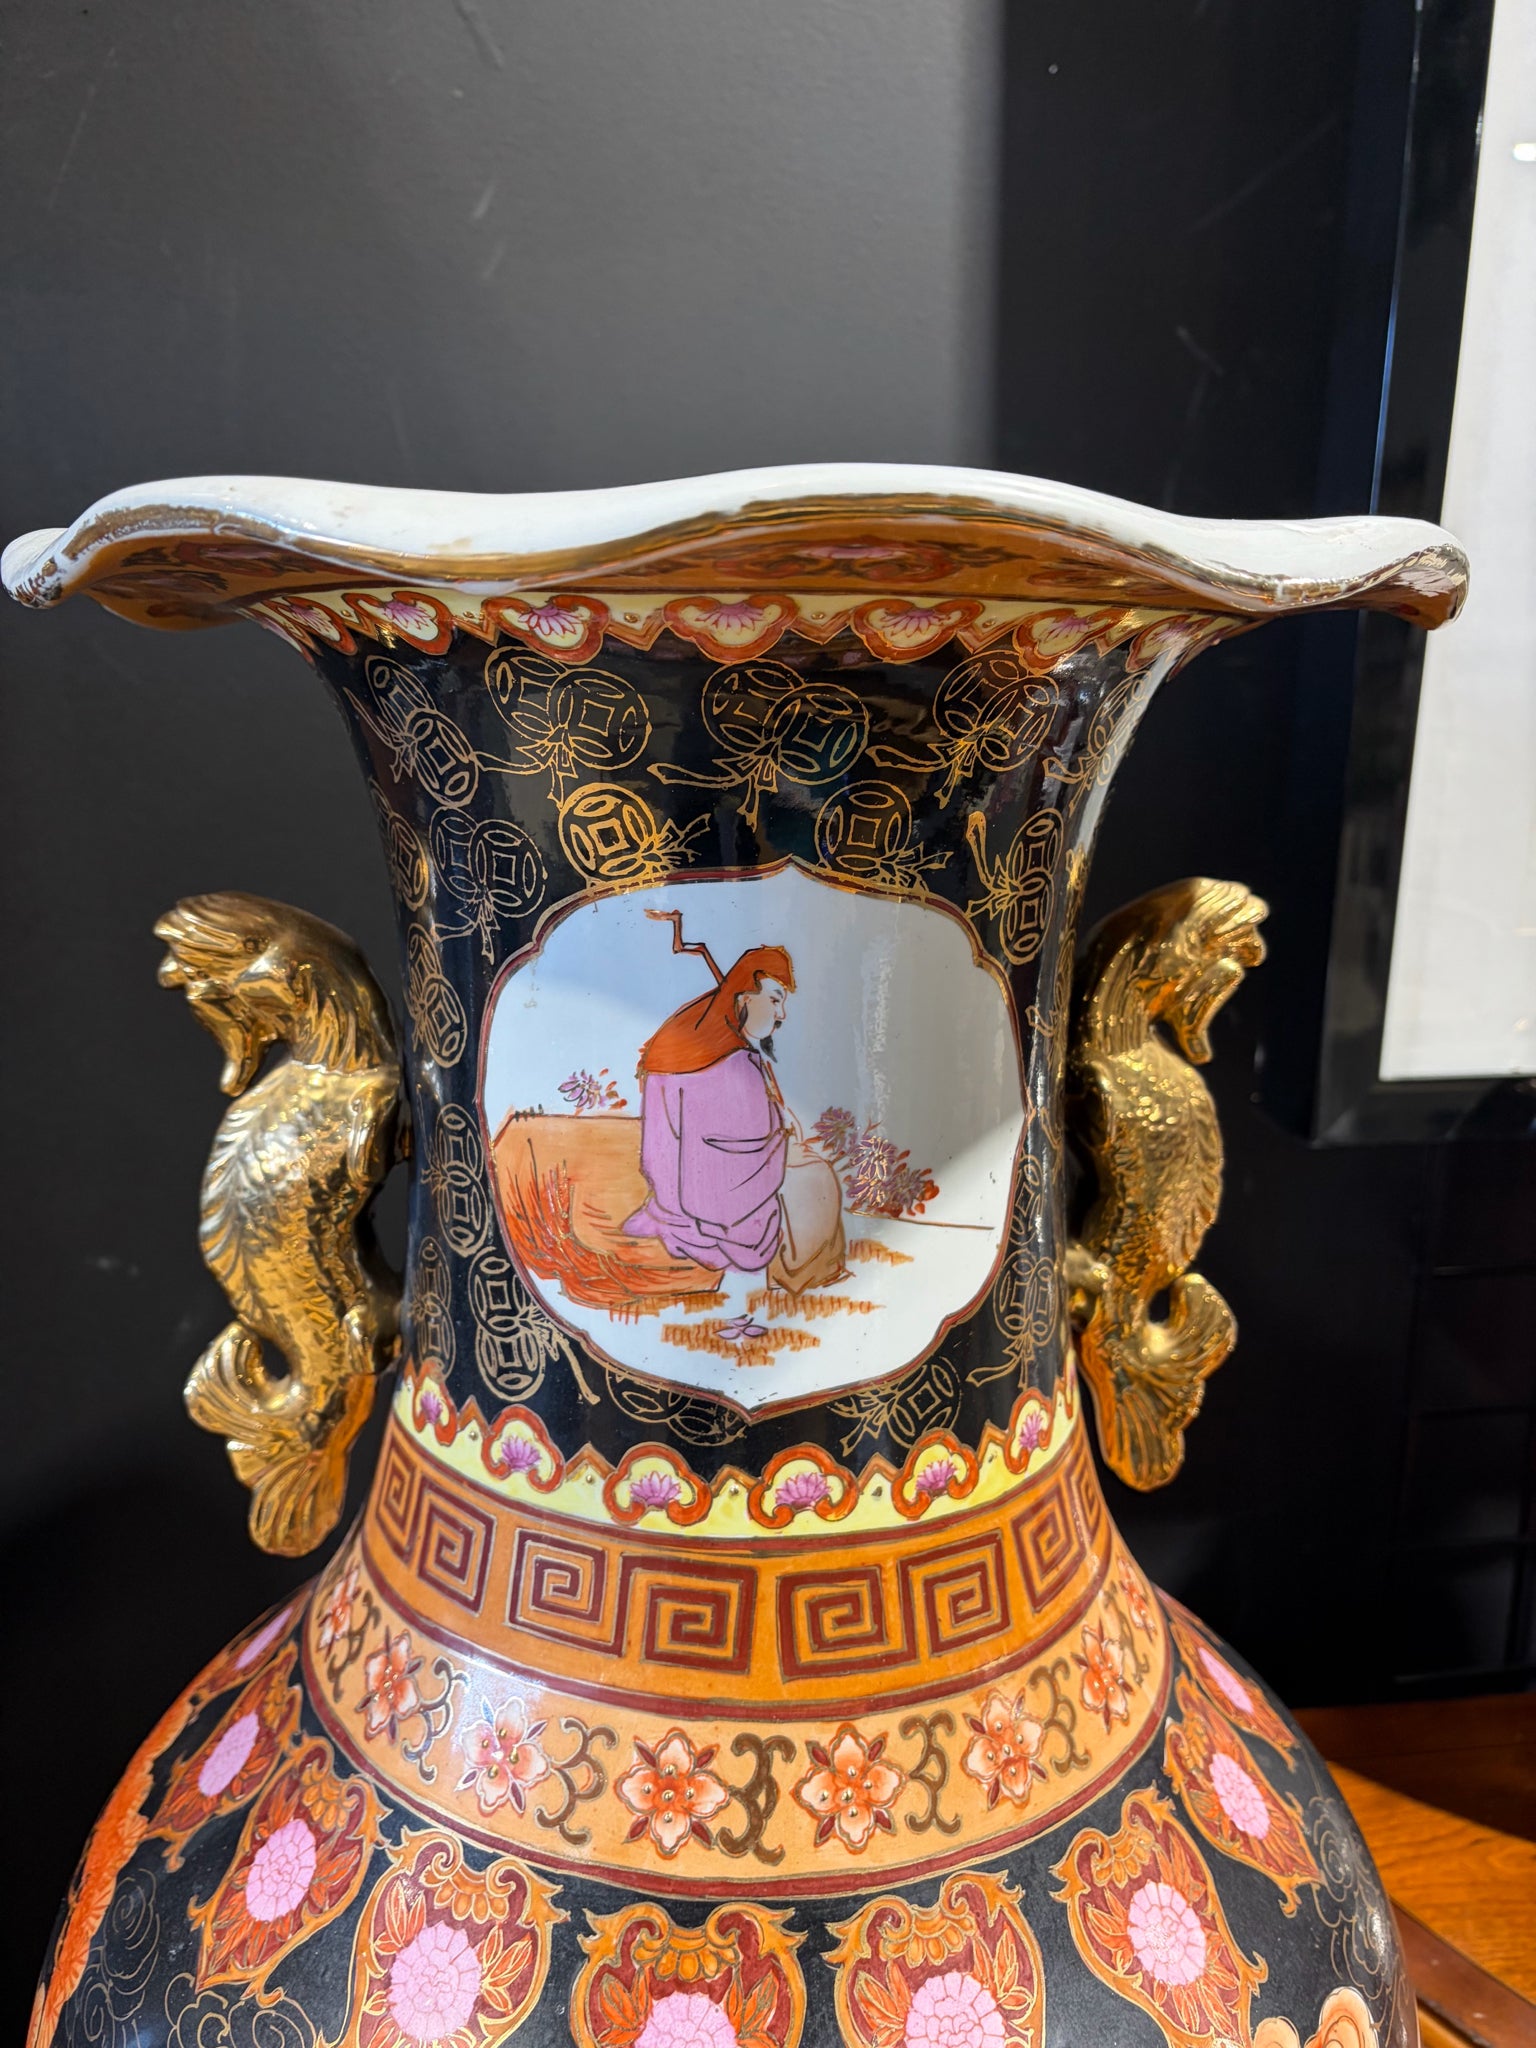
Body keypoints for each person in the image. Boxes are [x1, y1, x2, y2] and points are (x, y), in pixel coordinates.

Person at [622, 945, 845, 1293]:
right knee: (817, 1177)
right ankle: (804, 1277)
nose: (782, 1014)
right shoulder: (734, 1064)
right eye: (775, 1000)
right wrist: (783, 1137)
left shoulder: (684, 1042)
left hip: (671, 1196)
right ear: (744, 997)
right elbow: (741, 1154)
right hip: (719, 1203)